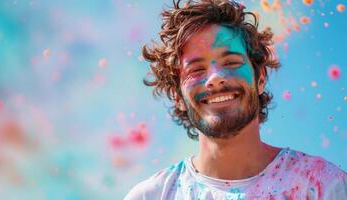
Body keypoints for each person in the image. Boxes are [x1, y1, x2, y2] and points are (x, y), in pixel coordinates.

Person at [125, 0, 347, 199]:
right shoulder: (151, 196)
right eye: (196, 69)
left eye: (231, 62)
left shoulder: (325, 186)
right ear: (178, 96)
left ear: (260, 79)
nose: (215, 78)